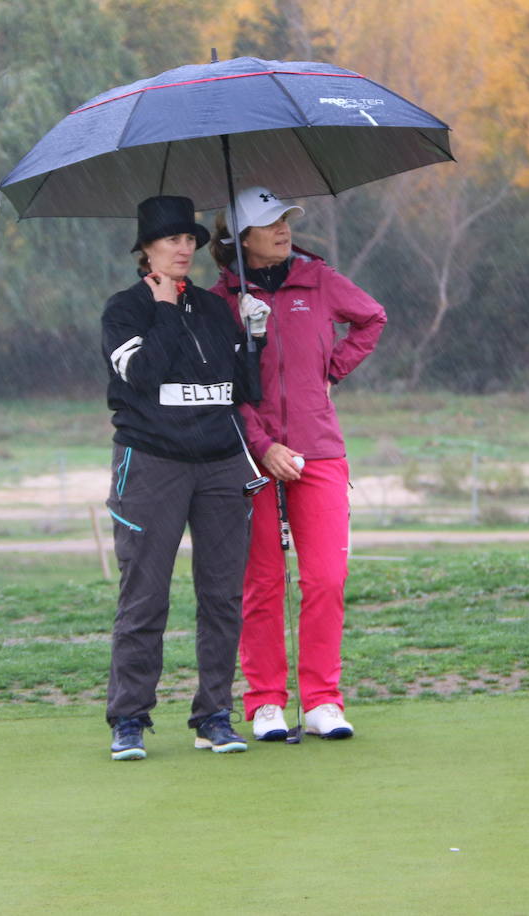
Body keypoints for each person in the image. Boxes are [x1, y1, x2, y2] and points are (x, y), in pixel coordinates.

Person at [210, 186, 386, 741]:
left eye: (286, 219)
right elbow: (226, 390)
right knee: (261, 583)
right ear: (240, 239)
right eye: (269, 223)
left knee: (327, 578)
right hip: (252, 455)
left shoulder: (319, 279)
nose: (283, 229)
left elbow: (371, 319)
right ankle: (265, 701)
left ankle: (322, 701)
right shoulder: (221, 303)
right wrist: (264, 446)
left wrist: (329, 374)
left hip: (320, 449)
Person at [101, 195, 270, 761]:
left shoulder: (217, 308)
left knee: (222, 595)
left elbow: (244, 391)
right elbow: (143, 374)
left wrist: (253, 336)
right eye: (171, 239)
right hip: (152, 464)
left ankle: (214, 716)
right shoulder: (124, 310)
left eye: (190, 239)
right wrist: (167, 309)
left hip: (221, 463)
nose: (183, 247)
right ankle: (129, 718)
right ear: (145, 248)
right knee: (145, 597)